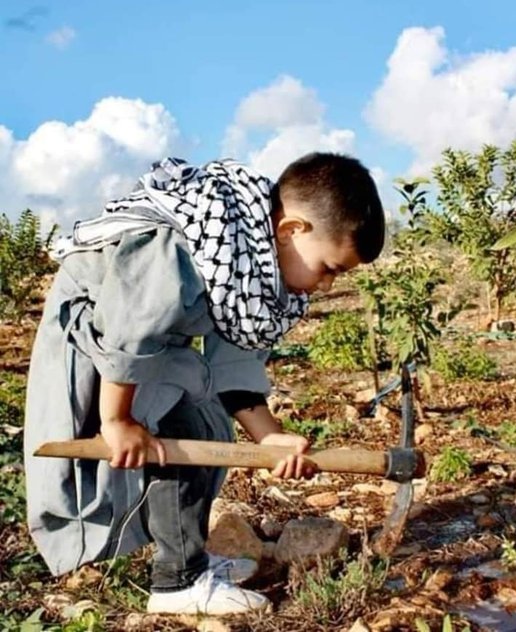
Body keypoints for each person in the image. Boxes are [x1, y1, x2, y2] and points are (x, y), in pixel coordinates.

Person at [24, 152, 385, 616]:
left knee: (208, 420)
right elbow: (129, 328)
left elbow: (233, 358)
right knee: (185, 427)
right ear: (291, 230)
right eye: (330, 268)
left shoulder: (252, 268)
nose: (328, 286)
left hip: (145, 346)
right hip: (96, 338)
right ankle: (177, 583)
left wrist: (269, 437)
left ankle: (185, 554)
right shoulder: (191, 239)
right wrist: (117, 420)